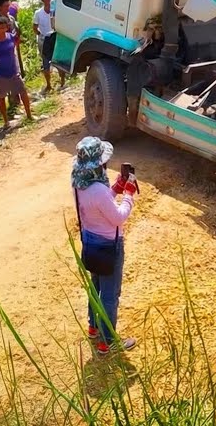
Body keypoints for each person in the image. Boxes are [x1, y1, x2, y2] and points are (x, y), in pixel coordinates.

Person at [71, 136, 137, 355]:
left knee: (96, 287)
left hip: (91, 243)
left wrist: (116, 188)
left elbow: (97, 206)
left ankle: (93, 327)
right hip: (109, 246)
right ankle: (107, 341)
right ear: (98, 164)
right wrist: (128, 194)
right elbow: (118, 217)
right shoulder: (98, 190)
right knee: (110, 294)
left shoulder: (79, 186)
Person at [0, 15, 33, 123]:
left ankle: (29, 115)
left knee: (23, 92)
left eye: (5, 27)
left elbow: (17, 42)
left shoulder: (10, 37)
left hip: (13, 71)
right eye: (0, 27)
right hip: (0, 74)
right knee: (1, 97)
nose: (3, 30)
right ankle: (6, 122)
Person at [34, 0, 65, 94]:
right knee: (45, 62)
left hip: (55, 36)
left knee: (59, 60)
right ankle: (48, 85)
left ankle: (62, 82)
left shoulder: (57, 11)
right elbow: (35, 27)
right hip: (45, 38)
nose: (49, 0)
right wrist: (41, 35)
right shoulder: (38, 13)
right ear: (43, 0)